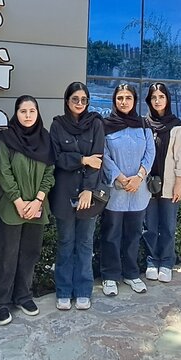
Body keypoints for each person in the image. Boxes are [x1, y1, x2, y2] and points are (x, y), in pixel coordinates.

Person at [0, 95, 55, 325]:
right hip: (12, 207)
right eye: (23, 111)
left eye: (32, 111)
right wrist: (18, 201)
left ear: (38, 113)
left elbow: (50, 172)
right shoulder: (6, 139)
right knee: (7, 256)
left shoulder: (45, 139)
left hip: (38, 206)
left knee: (30, 253)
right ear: (15, 113)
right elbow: (4, 172)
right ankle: (1, 303)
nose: (28, 116)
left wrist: (38, 200)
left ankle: (23, 296)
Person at [48, 81, 106, 311]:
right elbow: (56, 158)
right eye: (75, 99)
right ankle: (63, 291)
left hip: (88, 194)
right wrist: (82, 159)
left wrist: (88, 190)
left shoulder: (96, 124)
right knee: (65, 243)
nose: (80, 103)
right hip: (63, 192)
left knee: (84, 244)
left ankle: (83, 291)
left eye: (84, 99)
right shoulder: (57, 125)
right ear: (67, 100)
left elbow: (98, 161)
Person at [100, 83, 155, 296]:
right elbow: (104, 154)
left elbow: (150, 153)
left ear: (135, 100)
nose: (124, 102)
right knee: (111, 235)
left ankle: (131, 273)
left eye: (128, 98)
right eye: (120, 98)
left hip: (138, 191)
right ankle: (110, 276)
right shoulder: (106, 125)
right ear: (114, 101)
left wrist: (139, 177)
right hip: (116, 191)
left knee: (134, 234)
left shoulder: (143, 124)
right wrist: (121, 177)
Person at [143, 82, 181, 283]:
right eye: (154, 97)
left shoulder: (176, 125)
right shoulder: (144, 124)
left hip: (170, 184)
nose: (157, 100)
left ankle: (167, 262)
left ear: (167, 99)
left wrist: (179, 182)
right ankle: (152, 261)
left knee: (168, 226)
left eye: (161, 96)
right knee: (150, 226)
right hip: (147, 185)